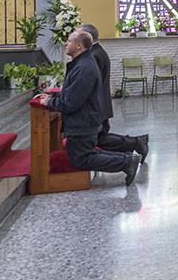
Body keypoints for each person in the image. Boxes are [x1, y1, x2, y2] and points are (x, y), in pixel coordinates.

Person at [33, 30, 139, 186]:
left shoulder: (84, 68)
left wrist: (49, 103)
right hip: (84, 120)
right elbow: (71, 93)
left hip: (83, 122)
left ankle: (126, 162)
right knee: (85, 154)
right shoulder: (82, 63)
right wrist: (53, 98)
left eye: (68, 41)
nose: (65, 44)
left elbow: (71, 102)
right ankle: (127, 158)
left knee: (82, 159)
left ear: (78, 46)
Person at [78, 24, 149, 160]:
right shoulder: (96, 52)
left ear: (88, 37)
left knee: (99, 138)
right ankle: (136, 144)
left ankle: (134, 147)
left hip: (98, 105)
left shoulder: (94, 55)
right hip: (100, 104)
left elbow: (90, 84)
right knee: (100, 137)